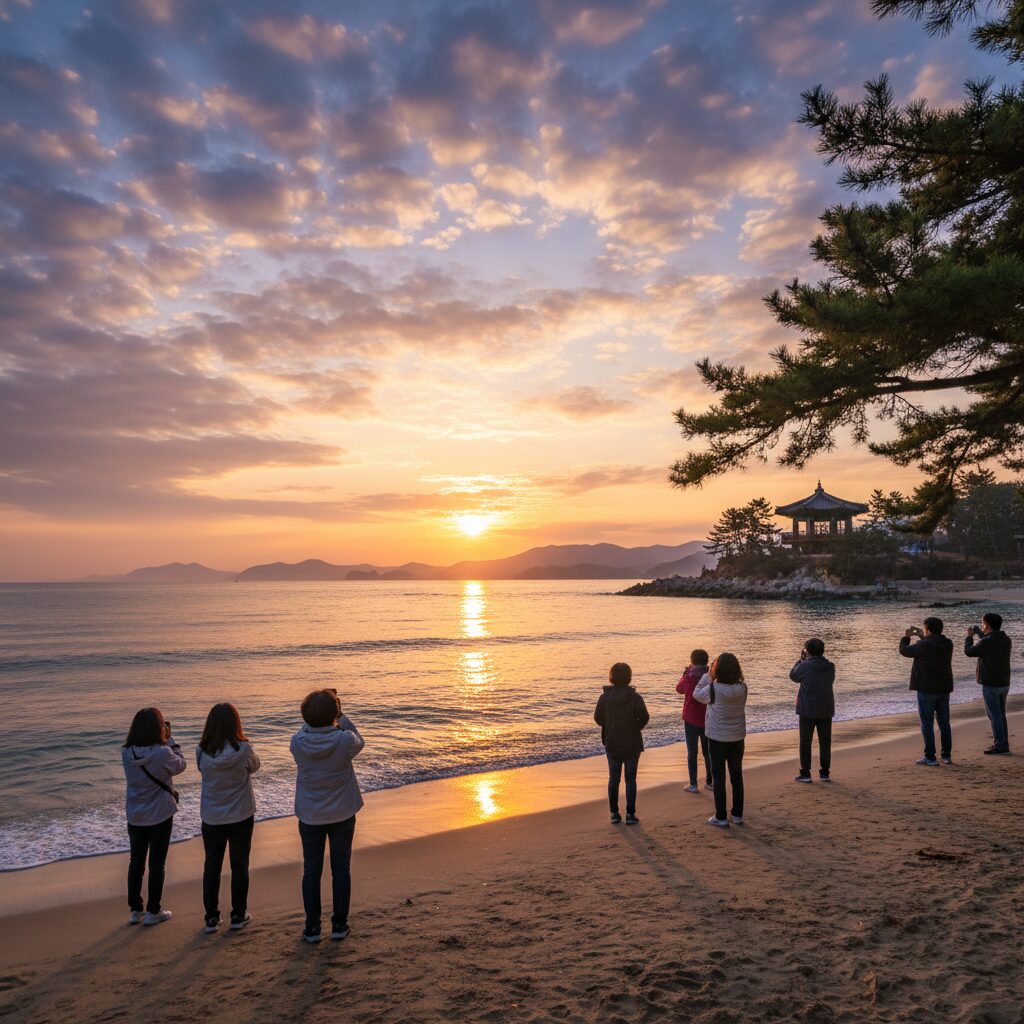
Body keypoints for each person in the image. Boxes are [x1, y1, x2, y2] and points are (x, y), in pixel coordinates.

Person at [291, 688, 365, 944]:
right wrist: (340, 714)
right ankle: (339, 925)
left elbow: (305, 729)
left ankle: (312, 928)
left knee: (311, 871)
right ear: (334, 714)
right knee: (340, 869)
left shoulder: (297, 742)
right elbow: (358, 739)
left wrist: (322, 714)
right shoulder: (343, 741)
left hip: (310, 814)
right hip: (342, 812)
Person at [197, 702, 261, 934]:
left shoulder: (202, 751)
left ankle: (211, 918)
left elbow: (202, 770)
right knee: (239, 865)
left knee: (211, 866)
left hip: (212, 816)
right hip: (240, 813)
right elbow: (255, 766)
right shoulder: (243, 749)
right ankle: (238, 914)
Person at [122, 707, 186, 926]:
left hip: (135, 814)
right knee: (156, 863)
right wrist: (170, 739)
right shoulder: (162, 752)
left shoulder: (127, 752)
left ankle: (135, 909)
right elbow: (181, 765)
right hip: (159, 813)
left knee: (136, 862)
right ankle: (153, 910)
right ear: (158, 728)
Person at [694, 654, 747, 827]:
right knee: (736, 776)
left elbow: (696, 695)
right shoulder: (743, 688)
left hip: (717, 738)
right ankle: (737, 814)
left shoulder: (713, 688)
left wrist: (706, 676)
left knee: (719, 777)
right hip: (737, 737)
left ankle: (721, 816)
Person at [594, 662, 650, 825]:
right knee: (630, 779)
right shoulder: (635, 697)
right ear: (629, 677)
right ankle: (630, 815)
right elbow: (645, 717)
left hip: (612, 741)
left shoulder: (605, 697)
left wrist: (610, 724)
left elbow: (598, 719)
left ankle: (614, 813)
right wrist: (635, 727)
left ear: (611, 677)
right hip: (632, 742)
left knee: (614, 778)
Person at [899, 616, 955, 766]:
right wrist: (921, 636)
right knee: (944, 723)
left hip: (927, 689)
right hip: (944, 688)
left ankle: (930, 757)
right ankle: (946, 756)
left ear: (928, 629)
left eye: (925, 629)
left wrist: (906, 637)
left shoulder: (924, 645)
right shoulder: (948, 643)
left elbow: (904, 651)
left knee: (927, 723)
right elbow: (930, 643)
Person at [964, 612, 1012, 755]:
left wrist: (969, 637)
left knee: (994, 716)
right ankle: (1003, 743)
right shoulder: (1005, 639)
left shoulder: (986, 642)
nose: (983, 626)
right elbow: (988, 641)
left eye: (983, 623)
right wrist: (979, 632)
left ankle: (1000, 745)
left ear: (988, 624)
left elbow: (969, 651)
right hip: (1004, 682)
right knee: (1001, 714)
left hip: (991, 684)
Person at [789, 638, 836, 783]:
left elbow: (793, 676)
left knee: (805, 742)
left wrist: (800, 660)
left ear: (808, 651)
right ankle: (825, 773)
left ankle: (806, 773)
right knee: (825, 742)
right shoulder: (830, 666)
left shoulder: (805, 666)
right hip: (825, 708)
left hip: (807, 708)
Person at [676, 649, 713, 793]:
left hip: (691, 717)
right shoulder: (711, 675)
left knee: (692, 752)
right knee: (707, 751)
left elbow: (679, 689)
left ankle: (693, 784)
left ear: (692, 661)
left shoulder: (690, 676)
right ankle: (709, 781)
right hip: (706, 717)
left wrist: (685, 673)